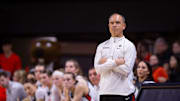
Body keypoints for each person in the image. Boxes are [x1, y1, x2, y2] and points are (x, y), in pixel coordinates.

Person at [94, 13, 136, 101]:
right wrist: (116, 62)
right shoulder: (101, 46)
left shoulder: (129, 45)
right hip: (104, 92)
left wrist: (107, 61)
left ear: (124, 26)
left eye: (117, 23)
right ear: (108, 25)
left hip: (123, 93)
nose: (114, 25)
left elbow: (126, 70)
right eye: (112, 23)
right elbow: (98, 70)